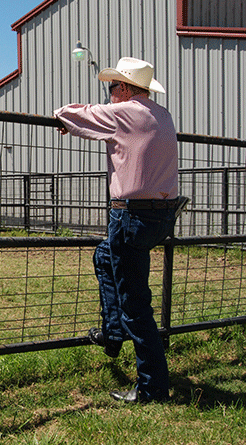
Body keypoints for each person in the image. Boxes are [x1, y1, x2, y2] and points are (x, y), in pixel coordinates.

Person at [54, 57, 179, 403]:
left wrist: (75, 122)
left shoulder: (125, 113)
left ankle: (152, 388)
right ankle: (113, 332)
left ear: (124, 88)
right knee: (104, 254)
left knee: (137, 306)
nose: (109, 95)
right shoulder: (161, 115)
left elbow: (67, 112)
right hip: (160, 217)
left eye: (111, 88)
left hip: (132, 217)